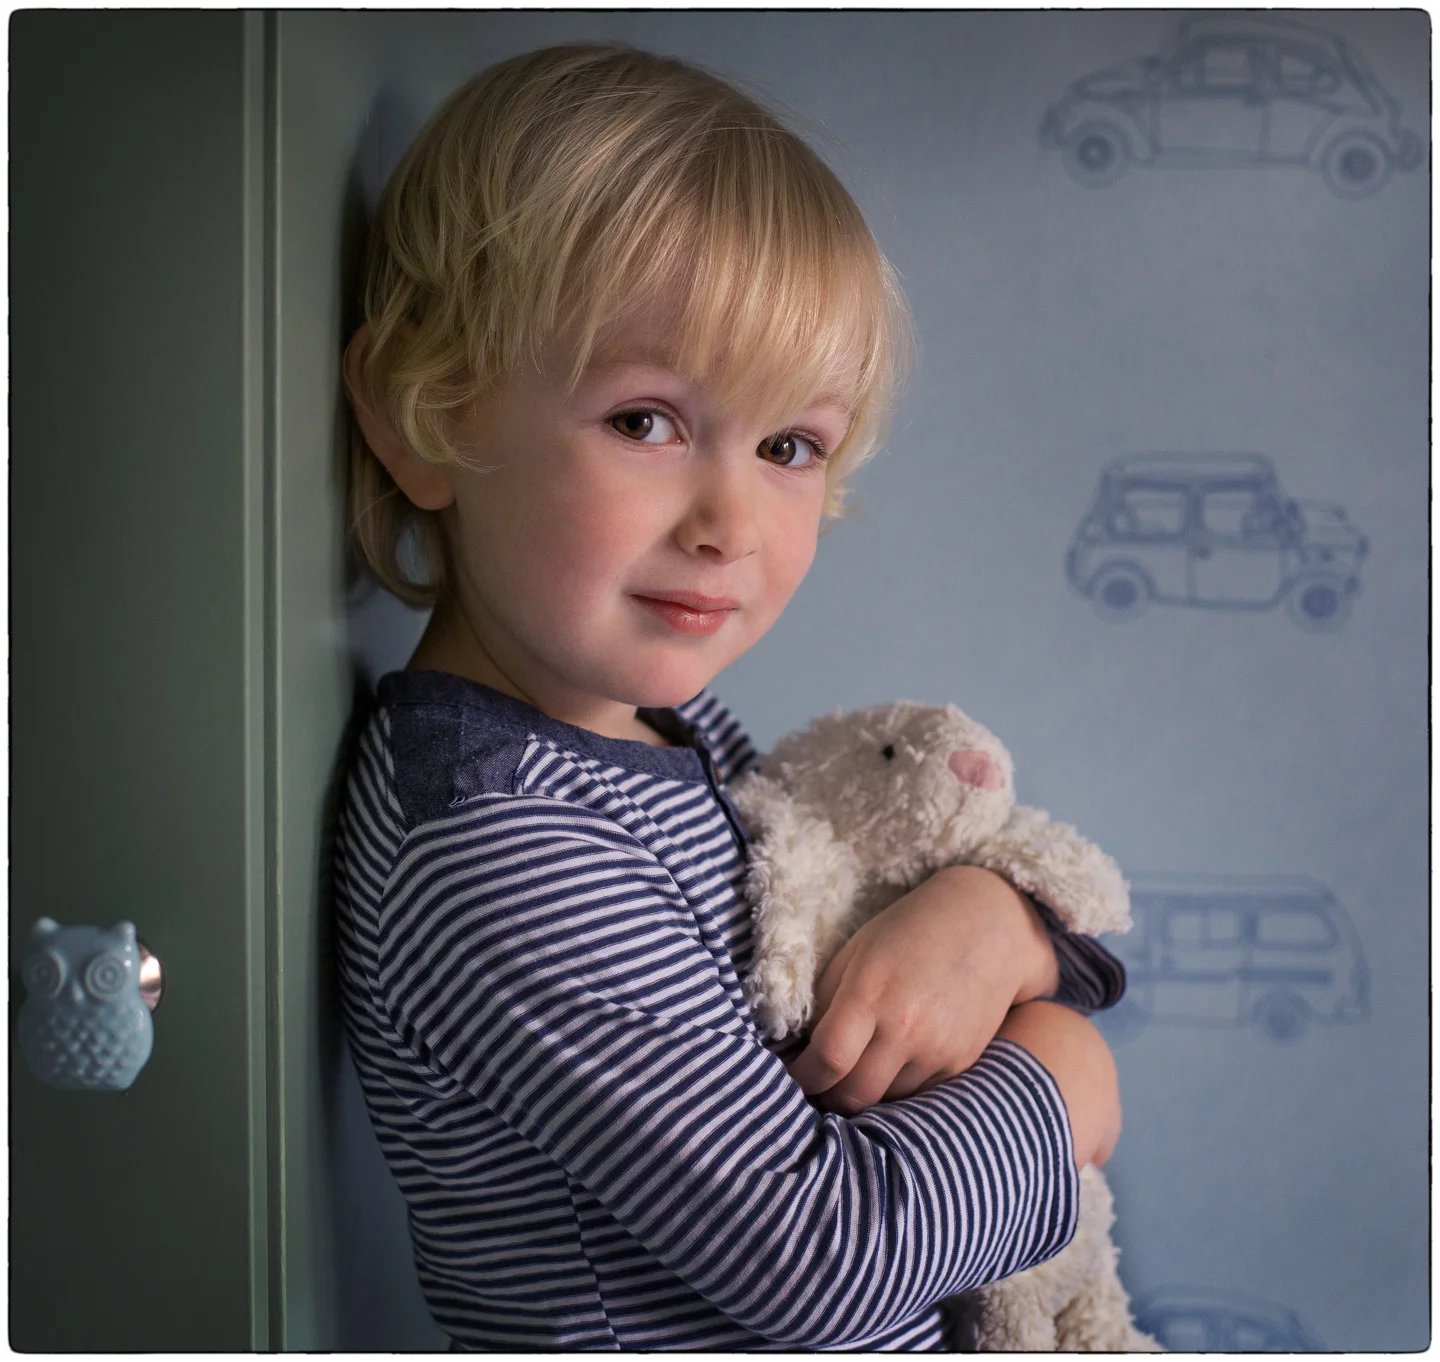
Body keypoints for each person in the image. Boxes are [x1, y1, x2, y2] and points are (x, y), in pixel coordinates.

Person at [335, 43, 1125, 1351]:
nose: (730, 518)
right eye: (646, 420)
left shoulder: (660, 733)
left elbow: (840, 908)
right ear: (424, 416)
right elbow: (821, 1258)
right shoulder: (500, 844)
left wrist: (1001, 921)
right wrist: (1063, 1078)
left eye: (789, 446)